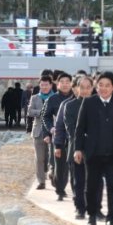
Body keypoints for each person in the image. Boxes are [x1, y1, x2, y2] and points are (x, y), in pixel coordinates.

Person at [74, 71, 113, 225]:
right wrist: (78, 148)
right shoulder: (89, 103)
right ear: (97, 87)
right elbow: (80, 128)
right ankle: (91, 215)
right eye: (101, 85)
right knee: (91, 186)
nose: (104, 88)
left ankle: (112, 220)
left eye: (107, 85)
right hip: (93, 153)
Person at [55, 75, 92, 219]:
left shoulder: (98, 104)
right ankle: (80, 208)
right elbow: (71, 131)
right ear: (75, 88)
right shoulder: (69, 106)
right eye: (81, 87)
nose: (84, 91)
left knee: (94, 182)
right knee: (78, 181)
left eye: (88, 87)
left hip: (95, 150)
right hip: (75, 148)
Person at [42, 72, 74, 201]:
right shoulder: (52, 99)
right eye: (63, 82)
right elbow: (45, 116)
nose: (65, 84)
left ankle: (67, 186)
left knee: (70, 165)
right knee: (59, 165)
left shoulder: (76, 97)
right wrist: (50, 129)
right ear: (57, 84)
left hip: (73, 137)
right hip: (59, 136)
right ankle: (60, 190)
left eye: (68, 82)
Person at [29, 75, 54, 190]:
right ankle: (41, 181)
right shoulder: (35, 98)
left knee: (52, 156)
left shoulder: (55, 98)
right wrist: (43, 112)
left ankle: (53, 173)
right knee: (39, 158)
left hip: (52, 130)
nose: (44, 87)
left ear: (51, 85)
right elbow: (30, 111)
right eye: (42, 85)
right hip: (38, 131)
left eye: (46, 85)